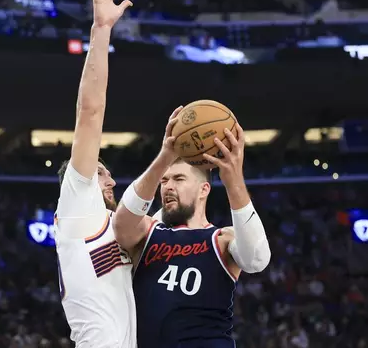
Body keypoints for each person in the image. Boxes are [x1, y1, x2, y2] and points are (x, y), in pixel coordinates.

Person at [113, 120, 272, 348]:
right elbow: (122, 224)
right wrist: (164, 157)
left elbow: (257, 259)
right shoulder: (148, 232)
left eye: (179, 179)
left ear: (204, 190)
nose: (168, 186)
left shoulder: (222, 239)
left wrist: (234, 180)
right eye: (164, 180)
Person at [53, 0, 134, 348]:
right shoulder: (77, 198)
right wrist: (101, 31)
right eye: (102, 173)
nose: (111, 180)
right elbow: (90, 112)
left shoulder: (113, 226)